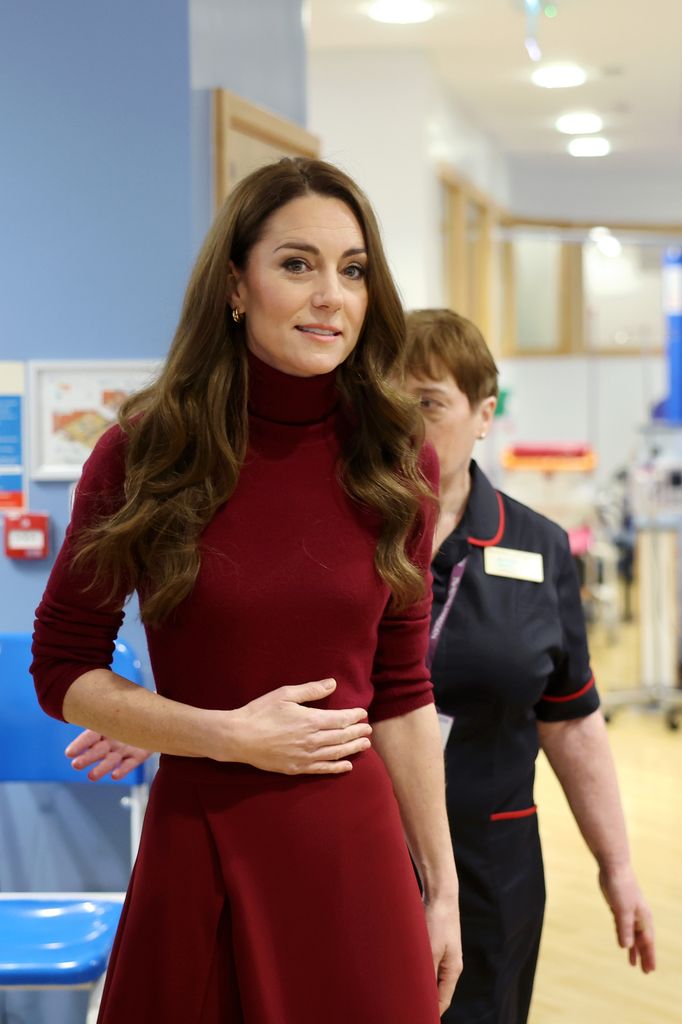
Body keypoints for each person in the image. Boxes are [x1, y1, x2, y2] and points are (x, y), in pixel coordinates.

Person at [30, 159, 462, 1024]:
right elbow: (61, 668)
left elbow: (404, 692)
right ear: (235, 283)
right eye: (296, 265)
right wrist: (221, 735)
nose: (330, 297)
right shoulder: (146, 454)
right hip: (204, 845)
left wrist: (442, 887)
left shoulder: (397, 461)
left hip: (354, 856)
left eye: (352, 269)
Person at [400, 308, 655, 1023]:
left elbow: (571, 720)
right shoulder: (348, 538)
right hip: (359, 851)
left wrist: (618, 867)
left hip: (490, 860)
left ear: (483, 415)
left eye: (429, 403)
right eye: (390, 403)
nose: (406, 424)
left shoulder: (538, 549)